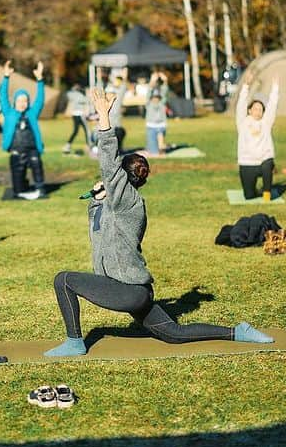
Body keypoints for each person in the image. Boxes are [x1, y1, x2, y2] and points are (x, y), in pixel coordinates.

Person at [43, 87, 273, 357]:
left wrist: (104, 118)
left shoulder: (128, 202)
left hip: (128, 290)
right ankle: (238, 331)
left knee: (64, 280)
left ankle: (74, 342)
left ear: (122, 180)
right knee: (174, 334)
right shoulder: (116, 204)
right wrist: (97, 199)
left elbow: (108, 160)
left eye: (114, 178)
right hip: (131, 289)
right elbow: (99, 227)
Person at [0, 60, 47, 200]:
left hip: (32, 148)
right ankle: (21, 185)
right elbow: (2, 96)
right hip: (16, 149)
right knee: (18, 177)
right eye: (20, 101)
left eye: (25, 101)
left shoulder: (32, 113)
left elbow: (40, 99)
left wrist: (40, 79)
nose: (22, 103)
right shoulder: (9, 112)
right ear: (15, 102)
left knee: (36, 164)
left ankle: (40, 187)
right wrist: (6, 77)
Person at [236, 73, 280, 201]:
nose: (258, 111)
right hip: (247, 163)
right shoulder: (242, 122)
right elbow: (241, 104)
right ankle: (254, 190)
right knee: (249, 196)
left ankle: (267, 192)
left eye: (260, 109)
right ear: (249, 110)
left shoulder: (266, 122)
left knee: (268, 162)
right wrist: (246, 85)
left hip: (263, 162)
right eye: (255, 109)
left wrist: (275, 88)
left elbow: (272, 106)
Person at [63, 83, 90, 154]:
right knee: (87, 130)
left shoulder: (71, 94)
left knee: (75, 131)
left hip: (75, 115)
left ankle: (68, 145)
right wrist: (87, 94)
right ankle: (89, 145)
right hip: (80, 115)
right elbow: (87, 101)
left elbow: (68, 95)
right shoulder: (80, 95)